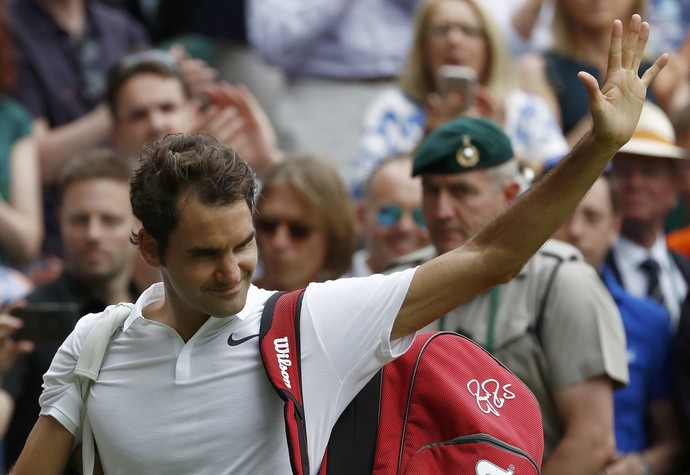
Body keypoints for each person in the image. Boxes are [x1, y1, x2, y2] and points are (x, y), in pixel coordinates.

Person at [8, 15, 668, 474]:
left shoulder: (307, 325)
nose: (233, 271)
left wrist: (599, 145)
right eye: (205, 254)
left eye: (244, 244)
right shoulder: (95, 344)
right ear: (148, 248)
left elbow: (489, 257)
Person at [396, 115, 628, 471]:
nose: (441, 211)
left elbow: (592, 438)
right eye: (431, 190)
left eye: (461, 191)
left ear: (510, 195)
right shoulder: (399, 282)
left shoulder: (562, 281)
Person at [2, 148, 142, 470]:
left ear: (138, 225)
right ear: (59, 220)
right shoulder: (26, 315)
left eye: (109, 219)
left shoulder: (156, 312)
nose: (93, 234)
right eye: (80, 219)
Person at [353, 0, 568, 195]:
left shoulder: (523, 109)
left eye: (468, 31)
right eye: (440, 30)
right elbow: (362, 195)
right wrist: (428, 143)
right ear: (422, 45)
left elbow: (570, 181)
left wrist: (500, 147)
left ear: (489, 44)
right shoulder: (393, 109)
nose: (454, 40)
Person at [554, 175, 684, 475]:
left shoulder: (649, 320)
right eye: (564, 215)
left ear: (615, 227)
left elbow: (674, 440)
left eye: (592, 218)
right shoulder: (513, 309)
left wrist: (641, 466)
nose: (575, 231)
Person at [247, 0, 421, 186]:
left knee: (410, 196)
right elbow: (273, 43)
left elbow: (442, 13)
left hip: (407, 91)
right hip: (322, 95)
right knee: (321, 201)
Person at [518, 0, 690, 147]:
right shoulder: (539, 70)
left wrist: (669, 102)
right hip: (585, 184)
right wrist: (604, 116)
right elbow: (547, 166)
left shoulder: (662, 71)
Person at [108, 48, 283, 177]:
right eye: (138, 115)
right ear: (117, 134)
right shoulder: (101, 203)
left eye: (167, 108)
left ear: (194, 113)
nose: (156, 124)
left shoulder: (236, 177)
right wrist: (196, 163)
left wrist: (269, 163)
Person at [605, 101, 690, 329]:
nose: (635, 182)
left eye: (649, 171)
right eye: (623, 171)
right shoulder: (592, 269)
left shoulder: (686, 272)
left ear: (674, 187)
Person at [254, 154, 357, 291]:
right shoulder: (225, 308)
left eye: (299, 230)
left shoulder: (353, 308)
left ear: (332, 237)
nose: (279, 242)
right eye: (268, 225)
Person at [352, 154, 430, 276]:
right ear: (361, 216)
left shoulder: (456, 289)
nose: (405, 227)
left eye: (420, 216)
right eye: (389, 213)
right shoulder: (328, 289)